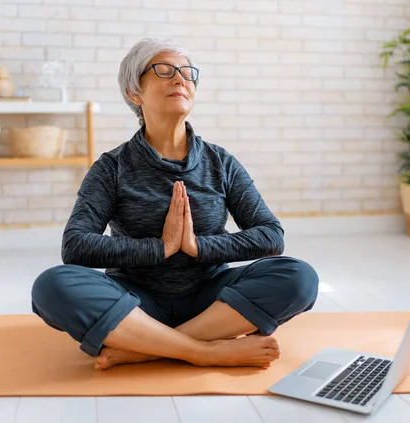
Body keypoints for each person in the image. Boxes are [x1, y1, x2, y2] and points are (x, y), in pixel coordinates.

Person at [31, 37, 319, 371]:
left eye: (187, 72)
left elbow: (271, 236)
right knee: (51, 286)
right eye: (165, 70)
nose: (180, 78)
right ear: (134, 92)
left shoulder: (220, 162)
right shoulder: (112, 167)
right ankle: (205, 351)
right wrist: (161, 247)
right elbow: (76, 246)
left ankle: (146, 348)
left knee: (300, 278)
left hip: (212, 301)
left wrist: (198, 247)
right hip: (136, 302)